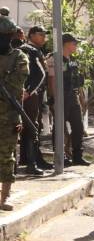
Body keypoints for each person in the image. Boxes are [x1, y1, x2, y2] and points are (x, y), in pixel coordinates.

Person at [0, 15, 29, 210]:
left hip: (8, 115)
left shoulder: (19, 58)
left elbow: (17, 88)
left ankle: (4, 198)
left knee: (7, 156)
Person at [46, 33, 88, 166]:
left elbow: (77, 80)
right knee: (59, 127)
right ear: (66, 43)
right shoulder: (54, 58)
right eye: (74, 43)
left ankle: (77, 156)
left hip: (72, 96)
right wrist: (53, 98)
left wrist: (81, 97)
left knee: (78, 126)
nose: (76, 46)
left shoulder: (72, 59)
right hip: (60, 96)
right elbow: (52, 80)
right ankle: (60, 156)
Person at [18, 26, 48, 175]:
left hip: (25, 94)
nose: (44, 37)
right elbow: (40, 74)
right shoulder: (31, 50)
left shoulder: (23, 49)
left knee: (24, 126)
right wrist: (29, 91)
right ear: (31, 35)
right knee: (31, 127)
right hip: (29, 96)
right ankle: (31, 162)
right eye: (41, 34)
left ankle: (26, 159)